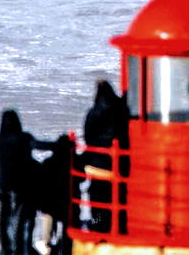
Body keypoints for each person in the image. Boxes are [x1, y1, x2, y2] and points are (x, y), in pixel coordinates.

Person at [0, 110, 39, 255]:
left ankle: (5, 250)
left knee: (2, 221)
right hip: (19, 186)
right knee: (17, 221)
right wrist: (63, 143)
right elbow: (40, 145)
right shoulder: (24, 138)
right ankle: (17, 250)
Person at [80, 80, 126, 233]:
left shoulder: (93, 112)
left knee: (97, 201)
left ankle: (98, 225)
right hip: (116, 163)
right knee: (116, 198)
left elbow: (87, 136)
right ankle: (117, 225)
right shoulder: (120, 110)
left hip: (96, 164)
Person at [37, 134, 76, 254]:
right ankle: (65, 244)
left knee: (48, 218)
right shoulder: (73, 164)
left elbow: (40, 182)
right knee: (67, 221)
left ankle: (47, 244)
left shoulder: (47, 163)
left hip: (49, 201)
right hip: (67, 201)